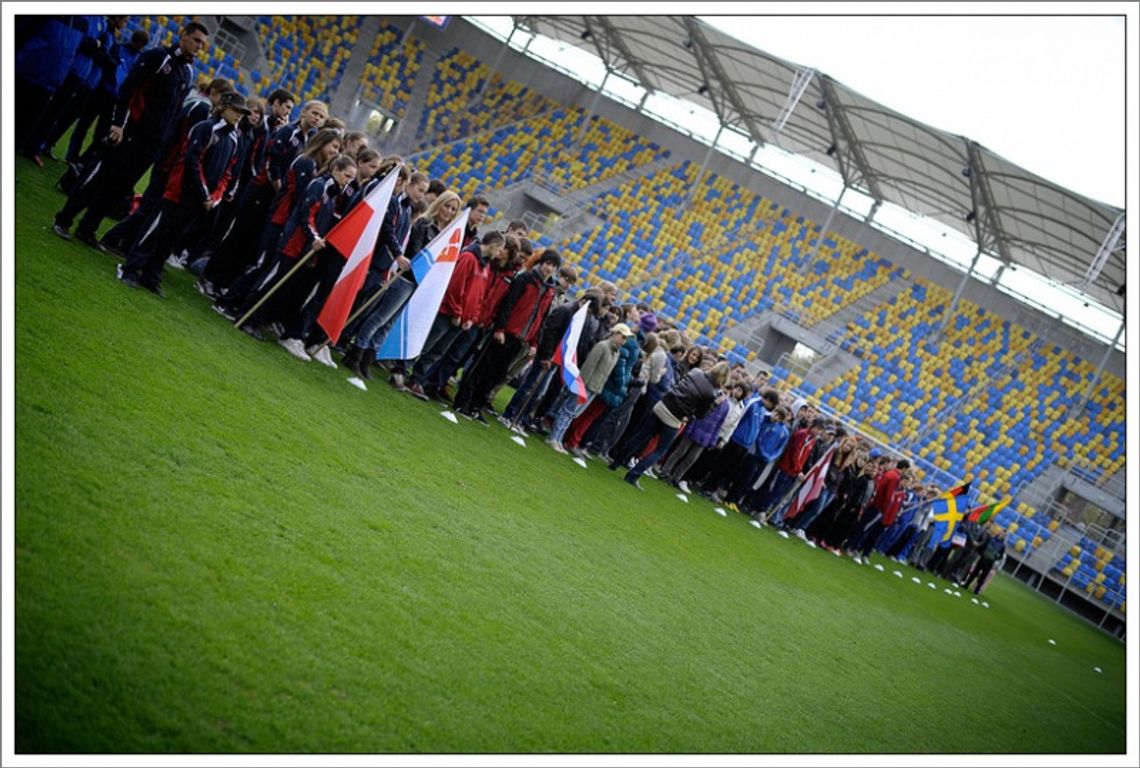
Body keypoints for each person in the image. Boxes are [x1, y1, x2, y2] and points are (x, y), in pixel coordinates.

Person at [53, 21, 209, 246]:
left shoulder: (187, 71)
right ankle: (64, 219)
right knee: (101, 177)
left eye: (203, 44)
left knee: (119, 188)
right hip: (130, 132)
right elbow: (128, 88)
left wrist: (162, 143)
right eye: (196, 40)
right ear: (183, 35)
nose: (199, 47)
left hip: (152, 144)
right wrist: (118, 124)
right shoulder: (158, 56)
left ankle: (87, 229)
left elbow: (174, 111)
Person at [116, 92, 251, 297]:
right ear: (223, 107)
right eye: (236, 110)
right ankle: (130, 269)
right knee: (155, 230)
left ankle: (152, 275)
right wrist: (205, 193)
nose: (240, 115)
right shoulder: (206, 128)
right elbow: (192, 160)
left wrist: (214, 197)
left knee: (171, 239)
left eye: (242, 112)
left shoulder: (234, 139)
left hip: (201, 201)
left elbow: (228, 173)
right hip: (179, 192)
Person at [350, 190, 463, 385]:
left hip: (420, 286)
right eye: (447, 206)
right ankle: (356, 353)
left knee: (388, 324)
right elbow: (418, 253)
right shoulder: (423, 224)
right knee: (380, 318)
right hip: (406, 279)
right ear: (439, 204)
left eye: (453, 209)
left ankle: (368, 358)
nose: (449, 211)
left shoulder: (446, 235)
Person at [452, 249, 562, 423]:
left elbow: (541, 318)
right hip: (505, 333)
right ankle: (462, 400)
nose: (549, 269)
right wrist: (500, 328)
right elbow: (508, 303)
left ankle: (476, 405)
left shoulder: (549, 291)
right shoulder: (525, 279)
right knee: (482, 368)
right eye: (548, 264)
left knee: (496, 374)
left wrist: (534, 342)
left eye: (553, 266)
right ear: (541, 262)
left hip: (521, 339)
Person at [405, 230, 507, 400]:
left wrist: (471, 318)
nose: (499, 253)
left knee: (437, 352)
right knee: (427, 345)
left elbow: (479, 295)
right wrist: (457, 312)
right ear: (493, 245)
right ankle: (402, 370)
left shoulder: (485, 264)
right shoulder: (468, 258)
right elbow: (455, 287)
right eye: (499, 249)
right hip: (449, 314)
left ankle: (416, 380)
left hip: (462, 320)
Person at [608, 362, 729, 490]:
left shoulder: (696, 372)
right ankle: (633, 475)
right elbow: (700, 414)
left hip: (663, 404)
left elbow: (680, 386)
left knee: (640, 436)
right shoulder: (711, 394)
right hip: (674, 417)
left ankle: (616, 462)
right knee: (660, 450)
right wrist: (714, 404)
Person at [545, 324, 634, 453]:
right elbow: (588, 367)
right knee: (568, 411)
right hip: (585, 385)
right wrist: (580, 387)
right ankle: (553, 437)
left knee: (573, 414)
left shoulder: (616, 352)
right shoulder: (602, 346)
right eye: (623, 336)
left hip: (595, 388)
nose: (624, 340)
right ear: (615, 333)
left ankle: (558, 438)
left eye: (626, 338)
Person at [961, 527, 1006, 594]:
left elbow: (1001, 556)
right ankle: (966, 585)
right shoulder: (990, 539)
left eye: (1004, 534)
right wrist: (982, 553)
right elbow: (983, 546)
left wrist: (995, 558)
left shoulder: (1003, 546)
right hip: (983, 558)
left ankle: (977, 590)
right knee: (974, 573)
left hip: (990, 562)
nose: (1002, 534)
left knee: (983, 577)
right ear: (999, 532)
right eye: (1001, 532)